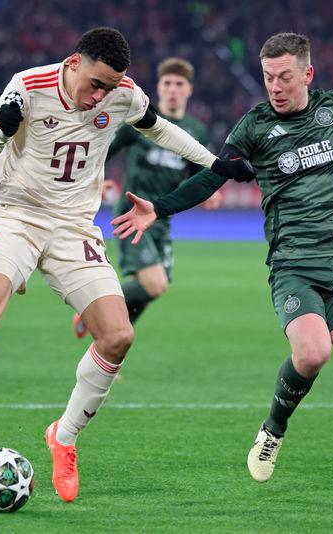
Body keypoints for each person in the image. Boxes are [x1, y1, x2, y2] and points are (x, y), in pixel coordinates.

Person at [112, 32, 333, 512]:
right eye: (269, 77)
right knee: (312, 354)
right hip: (293, 263)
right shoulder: (253, 127)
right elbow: (214, 174)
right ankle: (273, 429)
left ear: (307, 74)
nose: (275, 86)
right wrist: (158, 209)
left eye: (285, 77)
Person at [0, 27, 252, 504]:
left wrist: (216, 164)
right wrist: (3, 129)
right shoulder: (27, 86)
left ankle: (65, 437)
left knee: (119, 335)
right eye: (95, 83)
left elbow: (159, 127)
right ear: (74, 62)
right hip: (16, 215)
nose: (100, 95)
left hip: (74, 228)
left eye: (111, 85)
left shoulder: (121, 94)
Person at [73, 57, 222, 338]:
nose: (173, 89)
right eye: (167, 83)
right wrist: (97, 179)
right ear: (159, 87)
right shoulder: (141, 122)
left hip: (161, 219)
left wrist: (210, 193)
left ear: (189, 89)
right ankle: (91, 310)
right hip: (131, 215)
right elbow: (101, 152)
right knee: (154, 284)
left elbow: (195, 173)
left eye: (179, 84)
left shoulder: (195, 130)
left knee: (154, 287)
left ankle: (111, 339)